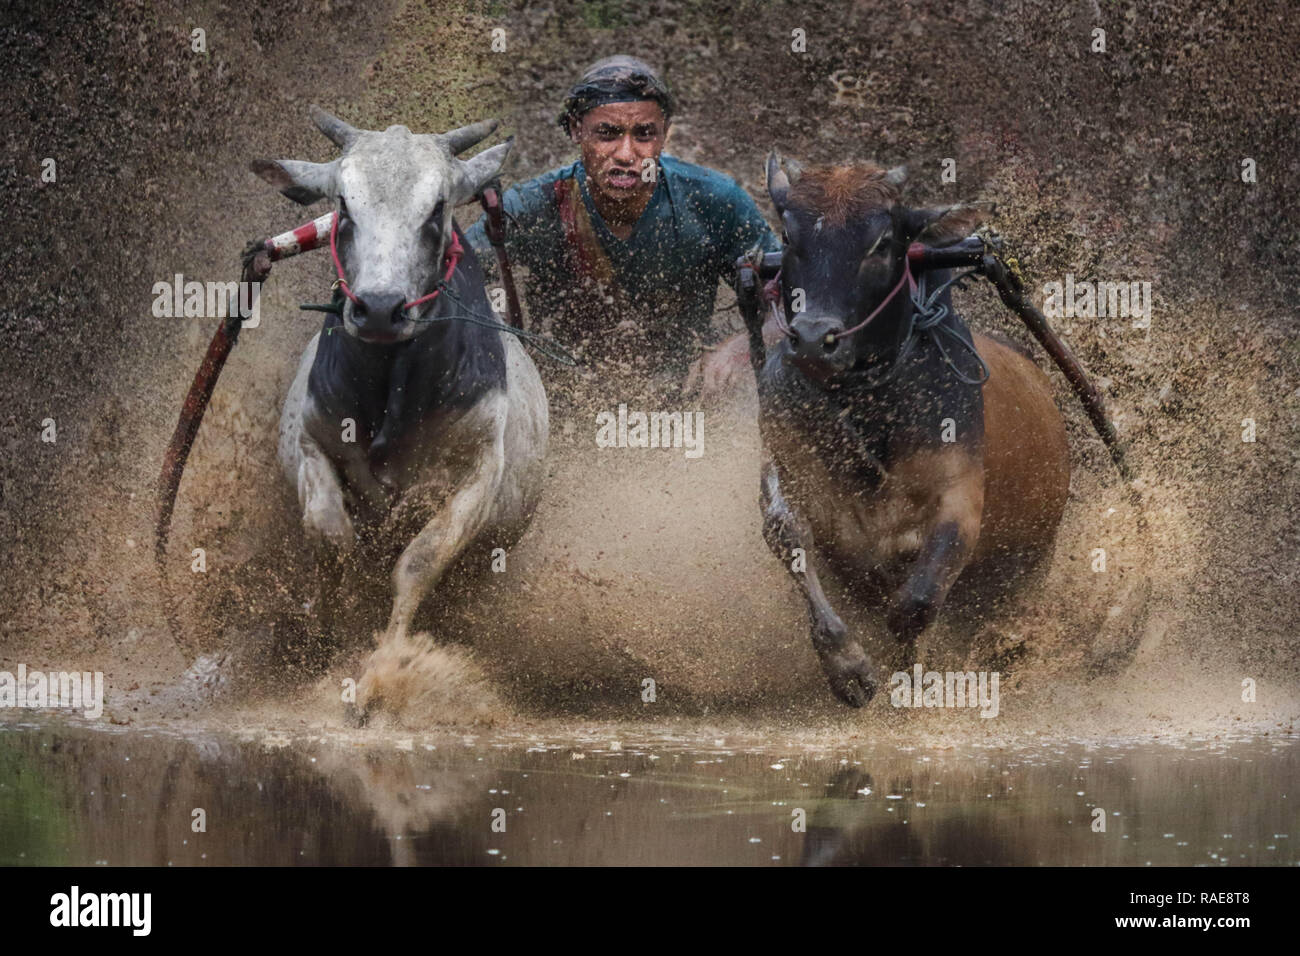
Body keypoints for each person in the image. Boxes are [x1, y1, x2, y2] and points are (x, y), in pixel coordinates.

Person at [463, 55, 781, 398]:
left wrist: (738, 349)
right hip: (563, 409)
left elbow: (793, 298)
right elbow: (453, 279)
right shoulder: (531, 207)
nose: (627, 154)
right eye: (607, 134)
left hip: (688, 409)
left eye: (644, 134)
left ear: (665, 134)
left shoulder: (713, 200)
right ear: (575, 129)